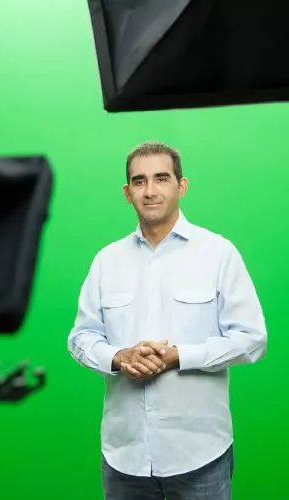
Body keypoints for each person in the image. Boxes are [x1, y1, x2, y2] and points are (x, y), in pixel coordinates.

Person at [67, 141, 267, 500]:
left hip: (200, 453)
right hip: (124, 456)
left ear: (181, 186)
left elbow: (252, 339)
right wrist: (119, 358)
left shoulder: (218, 253)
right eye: (139, 181)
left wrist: (179, 356)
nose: (150, 190)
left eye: (161, 178)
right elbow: (81, 337)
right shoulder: (106, 261)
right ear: (127, 193)